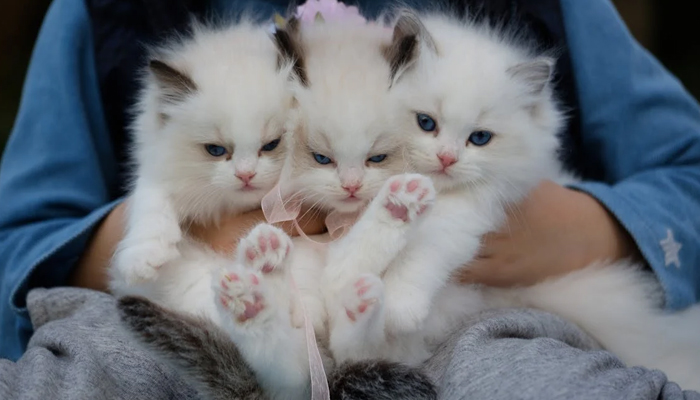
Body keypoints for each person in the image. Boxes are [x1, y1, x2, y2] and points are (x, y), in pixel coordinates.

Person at [0, 0, 699, 398]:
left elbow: (687, 169)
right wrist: (181, 227)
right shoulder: (105, 11)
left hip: (474, 321)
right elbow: (18, 236)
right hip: (196, 321)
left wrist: (586, 228)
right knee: (90, 365)